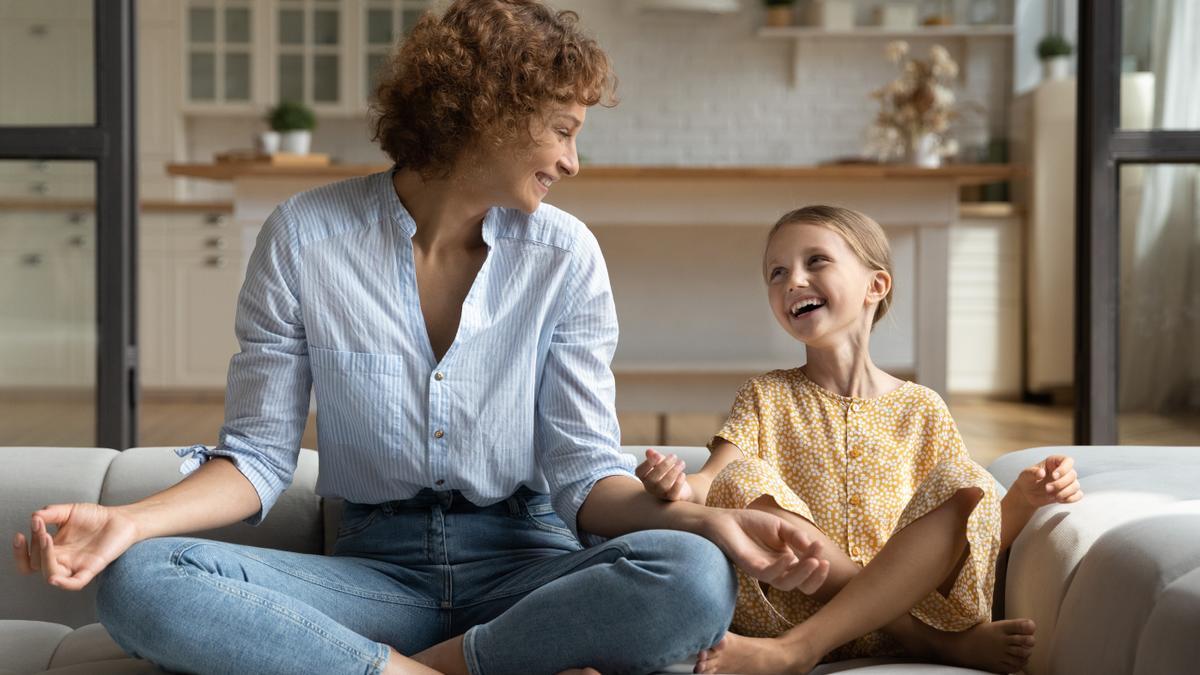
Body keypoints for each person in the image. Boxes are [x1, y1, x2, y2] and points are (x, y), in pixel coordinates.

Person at [10, 2, 829, 673]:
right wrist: (132, 521)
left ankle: (404, 668)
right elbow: (257, 459)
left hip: (530, 563)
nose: (573, 162)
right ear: (490, 113)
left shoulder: (566, 256)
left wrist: (704, 524)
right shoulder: (305, 236)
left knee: (692, 577)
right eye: (562, 129)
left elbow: (584, 475)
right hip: (374, 570)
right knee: (141, 583)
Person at [636, 205, 1084, 674]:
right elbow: (715, 479)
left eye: (816, 261)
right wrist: (678, 488)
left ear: (876, 285)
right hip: (789, 609)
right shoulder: (766, 394)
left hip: (915, 600)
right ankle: (930, 644)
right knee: (744, 478)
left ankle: (803, 650)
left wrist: (1023, 500)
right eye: (777, 271)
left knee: (965, 479)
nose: (793, 280)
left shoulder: (922, 407)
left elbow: (967, 533)